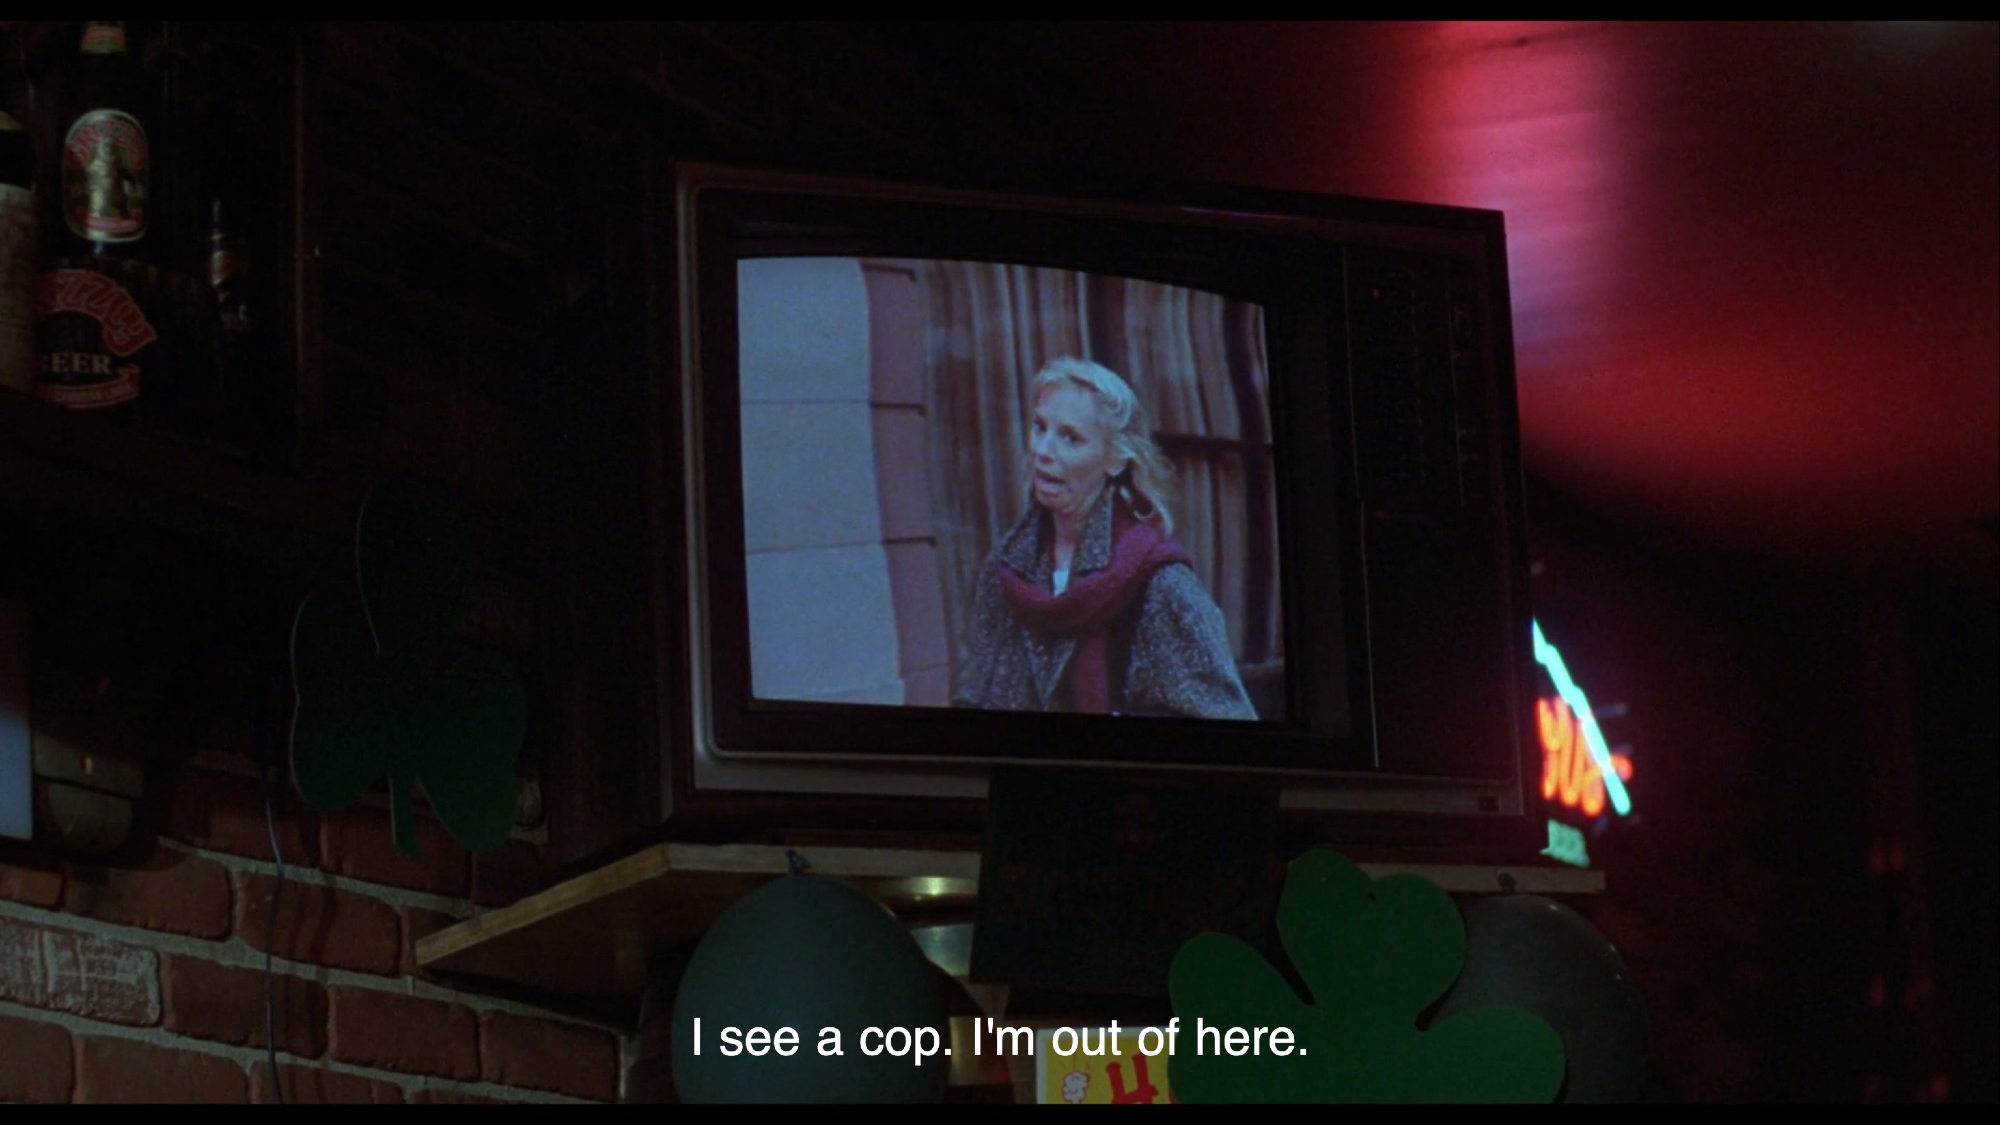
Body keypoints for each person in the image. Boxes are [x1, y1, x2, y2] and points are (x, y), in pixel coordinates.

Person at [953, 357, 1257, 720]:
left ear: (1114, 460)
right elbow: (972, 697)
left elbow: (1227, 723)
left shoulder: (1161, 584)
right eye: (1039, 427)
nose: (1043, 451)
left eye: (1071, 438)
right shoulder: (1005, 569)